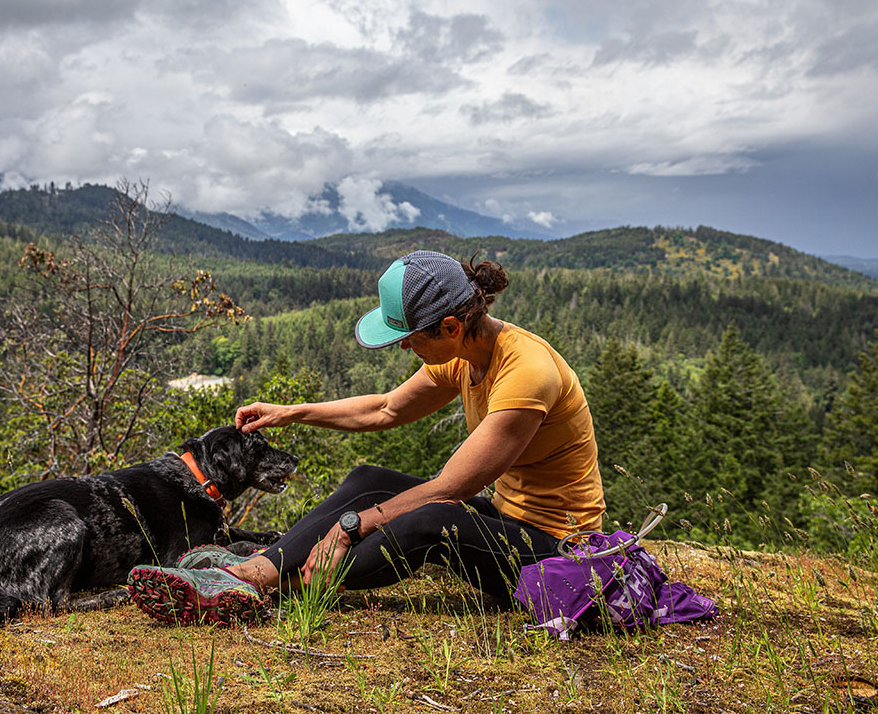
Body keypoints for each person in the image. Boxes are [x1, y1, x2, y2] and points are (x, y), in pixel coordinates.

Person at [127, 250, 605, 625]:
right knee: (368, 478)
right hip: (509, 518)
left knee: (430, 518)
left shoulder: (526, 373)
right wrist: (291, 413)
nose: (403, 348)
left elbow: (450, 488)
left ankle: (263, 583)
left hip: (558, 548)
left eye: (408, 338)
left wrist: (350, 527)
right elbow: (386, 408)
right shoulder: (465, 352)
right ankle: (259, 570)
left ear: (451, 326)